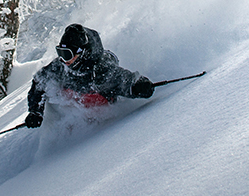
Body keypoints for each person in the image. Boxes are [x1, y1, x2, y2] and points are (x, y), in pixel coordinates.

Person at [25, 23, 155, 128]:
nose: (63, 60)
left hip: (102, 122)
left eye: (67, 54)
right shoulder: (62, 66)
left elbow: (125, 80)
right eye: (60, 52)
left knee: (93, 95)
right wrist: (35, 111)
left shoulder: (101, 72)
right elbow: (39, 81)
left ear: (82, 53)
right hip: (77, 108)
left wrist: (140, 86)